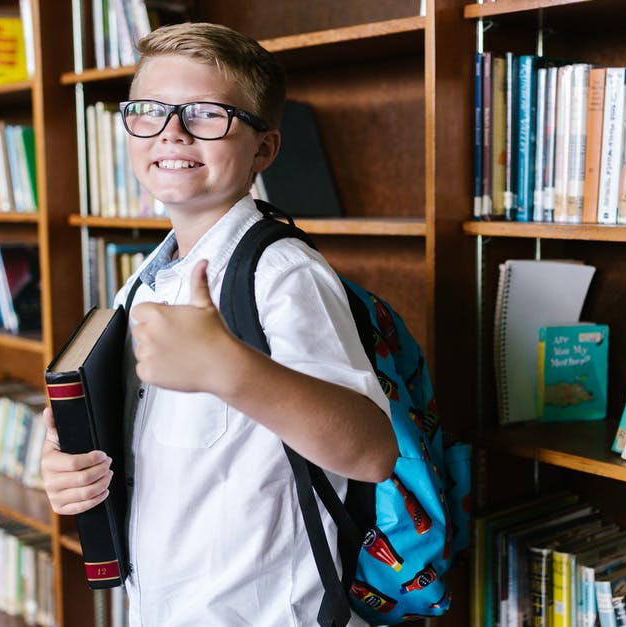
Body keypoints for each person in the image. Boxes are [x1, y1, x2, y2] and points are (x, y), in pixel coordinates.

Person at [39, 22, 397, 626]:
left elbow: (371, 451)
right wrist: (63, 465)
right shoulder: (144, 281)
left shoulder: (283, 274)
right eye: (149, 110)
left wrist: (228, 367)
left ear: (264, 149)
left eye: (206, 114)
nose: (171, 131)